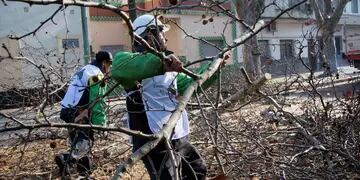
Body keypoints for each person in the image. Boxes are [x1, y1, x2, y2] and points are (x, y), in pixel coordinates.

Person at [111, 14, 230, 180]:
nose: (165, 38)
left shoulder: (169, 70)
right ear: (150, 35)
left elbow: (192, 86)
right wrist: (161, 64)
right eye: (162, 33)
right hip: (153, 140)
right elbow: (118, 67)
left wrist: (214, 68)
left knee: (197, 170)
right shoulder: (133, 65)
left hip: (177, 135)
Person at [55, 51, 112, 177]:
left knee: (79, 141)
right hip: (78, 111)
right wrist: (101, 125)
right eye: (109, 65)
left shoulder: (85, 69)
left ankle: (84, 174)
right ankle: (65, 158)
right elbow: (98, 101)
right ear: (104, 63)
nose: (109, 69)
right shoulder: (96, 75)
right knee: (86, 142)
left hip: (66, 110)